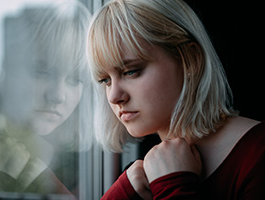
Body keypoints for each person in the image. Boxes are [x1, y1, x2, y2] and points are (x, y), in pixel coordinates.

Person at [86, 0, 265, 199]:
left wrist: (172, 187)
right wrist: (123, 192)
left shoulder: (258, 156)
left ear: (191, 59)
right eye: (105, 80)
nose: (113, 96)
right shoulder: (139, 178)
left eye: (131, 71)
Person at [0, 0, 92, 198]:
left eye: (75, 79)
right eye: (41, 72)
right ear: (6, 68)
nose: (57, 95)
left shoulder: (90, 173)